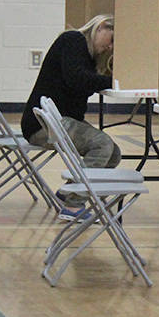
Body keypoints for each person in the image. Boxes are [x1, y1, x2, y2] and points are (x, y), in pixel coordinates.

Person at [22, 15, 122, 217]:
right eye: (111, 40)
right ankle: (73, 205)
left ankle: (68, 191)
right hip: (43, 124)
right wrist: (113, 81)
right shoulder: (73, 40)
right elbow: (77, 79)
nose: (110, 47)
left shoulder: (85, 55)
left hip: (57, 121)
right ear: (101, 27)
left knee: (113, 154)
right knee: (102, 145)